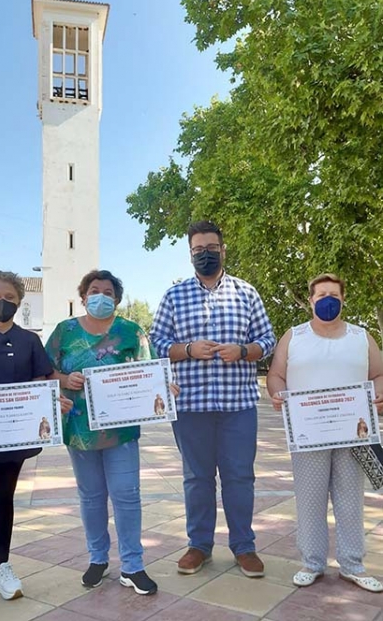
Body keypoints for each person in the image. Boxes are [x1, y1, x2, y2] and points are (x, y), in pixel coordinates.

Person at [150, 221, 276, 577]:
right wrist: (188, 349)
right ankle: (199, 546)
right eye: (197, 250)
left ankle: (244, 547)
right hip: (191, 407)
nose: (205, 254)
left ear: (223, 249)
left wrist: (245, 350)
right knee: (197, 478)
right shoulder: (174, 296)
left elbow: (267, 338)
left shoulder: (246, 293)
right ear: (190, 254)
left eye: (211, 248)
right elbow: (156, 343)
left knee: (239, 477)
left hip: (238, 405)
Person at [0, 271, 71, 609]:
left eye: (9, 296)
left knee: (4, 500)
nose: (1, 302)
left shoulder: (29, 341)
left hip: (15, 434)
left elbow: (43, 379)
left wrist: (54, 400)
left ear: (19, 301)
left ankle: (1, 567)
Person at [45, 269, 164, 596]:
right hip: (80, 430)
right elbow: (43, 371)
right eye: (94, 290)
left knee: (127, 495)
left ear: (116, 298)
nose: (101, 295)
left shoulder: (131, 332)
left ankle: (133, 565)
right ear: (83, 297)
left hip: (122, 432)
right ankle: (98, 559)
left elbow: (149, 371)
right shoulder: (64, 331)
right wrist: (65, 380)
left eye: (108, 291)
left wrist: (164, 390)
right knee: (92, 497)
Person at [267, 273, 383, 592]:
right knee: (310, 498)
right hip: (309, 433)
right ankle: (313, 563)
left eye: (334, 294)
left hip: (353, 432)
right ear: (311, 300)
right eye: (321, 294)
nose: (327, 299)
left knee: (350, 498)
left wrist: (377, 394)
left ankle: (352, 564)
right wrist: (277, 393)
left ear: (343, 299)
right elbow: (276, 375)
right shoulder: (294, 336)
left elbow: (379, 374)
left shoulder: (362, 336)